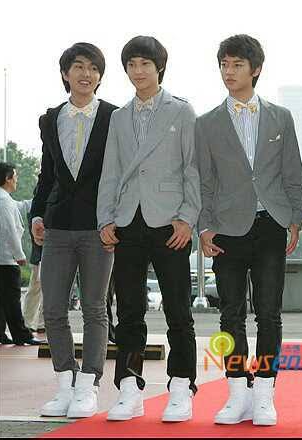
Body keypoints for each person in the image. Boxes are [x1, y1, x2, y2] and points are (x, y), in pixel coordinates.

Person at [197, 34, 302, 426]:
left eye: (237, 65)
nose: (229, 72)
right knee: (230, 314)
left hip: (271, 223)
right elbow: (203, 180)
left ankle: (264, 392)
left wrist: (295, 219)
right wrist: (204, 226)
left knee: (269, 313)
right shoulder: (206, 123)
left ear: (255, 69)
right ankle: (236, 391)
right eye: (224, 65)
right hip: (226, 228)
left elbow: (292, 171)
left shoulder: (280, 117)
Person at [97, 35, 201, 423]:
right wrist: (105, 218)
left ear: (160, 68)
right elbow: (110, 171)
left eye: (145, 64)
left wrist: (188, 217)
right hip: (127, 221)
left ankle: (181, 386)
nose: (138, 71)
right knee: (129, 311)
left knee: (178, 310)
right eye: (131, 65)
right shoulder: (119, 117)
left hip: (170, 223)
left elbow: (193, 168)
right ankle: (129, 386)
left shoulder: (182, 110)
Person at [31, 42, 116, 419]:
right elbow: (47, 175)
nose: (87, 74)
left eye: (94, 68)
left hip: (99, 227)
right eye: (79, 66)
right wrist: (37, 215)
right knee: (52, 308)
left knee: (96, 308)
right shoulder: (50, 119)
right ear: (66, 73)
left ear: (100, 76)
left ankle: (88, 385)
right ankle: (65, 383)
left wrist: (115, 217)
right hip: (58, 226)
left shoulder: (114, 117)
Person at [0, 162, 42, 346]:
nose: (17, 180)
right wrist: (19, 255)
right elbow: (10, 231)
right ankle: (21, 334)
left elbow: (21, 206)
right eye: (15, 176)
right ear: (7, 179)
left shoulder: (2, 199)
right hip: (5, 260)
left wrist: (40, 200)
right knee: (12, 300)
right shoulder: (3, 201)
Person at [23, 195, 45, 334]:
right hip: (41, 254)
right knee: (36, 289)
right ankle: (30, 322)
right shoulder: (36, 207)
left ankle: (36, 322)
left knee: (38, 290)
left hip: (42, 254)